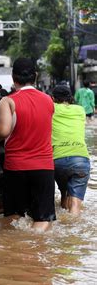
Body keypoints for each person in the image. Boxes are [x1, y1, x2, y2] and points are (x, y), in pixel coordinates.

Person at [0, 58, 55, 231]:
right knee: (43, 219)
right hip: (44, 167)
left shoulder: (8, 101)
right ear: (35, 76)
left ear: (13, 77)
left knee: (14, 217)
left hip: (16, 167)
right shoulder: (49, 100)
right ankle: (32, 248)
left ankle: (15, 252)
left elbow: (3, 131)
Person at [51, 85, 91, 216]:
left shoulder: (51, 109)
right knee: (75, 206)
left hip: (57, 160)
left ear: (53, 98)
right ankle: (73, 227)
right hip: (80, 160)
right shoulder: (80, 110)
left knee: (63, 193)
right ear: (71, 97)